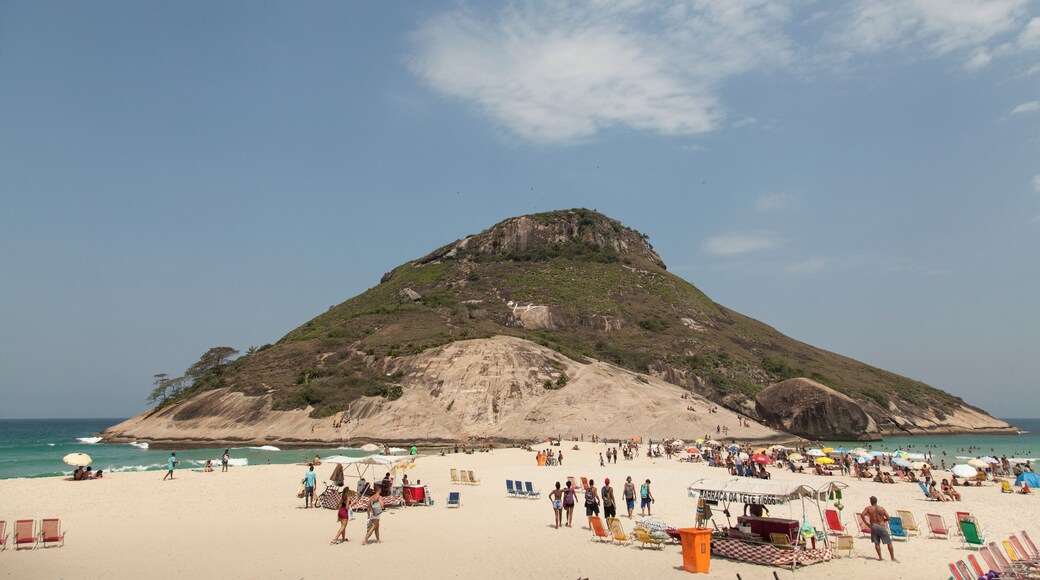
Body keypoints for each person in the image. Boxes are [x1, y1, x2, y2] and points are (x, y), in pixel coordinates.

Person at [861, 496, 897, 562]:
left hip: (874, 526)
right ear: (876, 501)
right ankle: (892, 558)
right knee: (889, 542)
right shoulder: (881, 509)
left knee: (877, 543)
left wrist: (866, 524)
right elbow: (888, 518)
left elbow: (862, 515)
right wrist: (883, 520)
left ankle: (880, 558)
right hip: (881, 526)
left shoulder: (868, 508)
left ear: (871, 501)